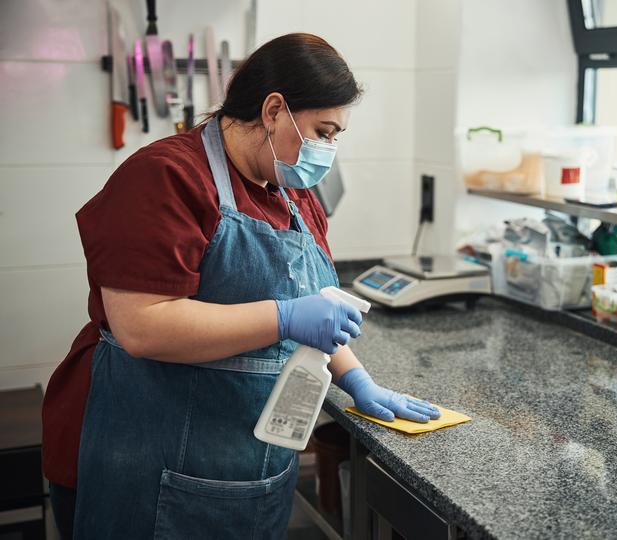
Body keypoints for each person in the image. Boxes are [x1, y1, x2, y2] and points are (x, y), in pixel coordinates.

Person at [41, 33, 440, 539]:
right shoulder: (166, 176)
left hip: (246, 465)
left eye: (336, 137)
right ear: (274, 110)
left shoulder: (295, 195)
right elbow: (142, 325)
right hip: (141, 455)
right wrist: (285, 317)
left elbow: (316, 309)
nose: (328, 150)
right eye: (323, 131)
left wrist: (357, 380)